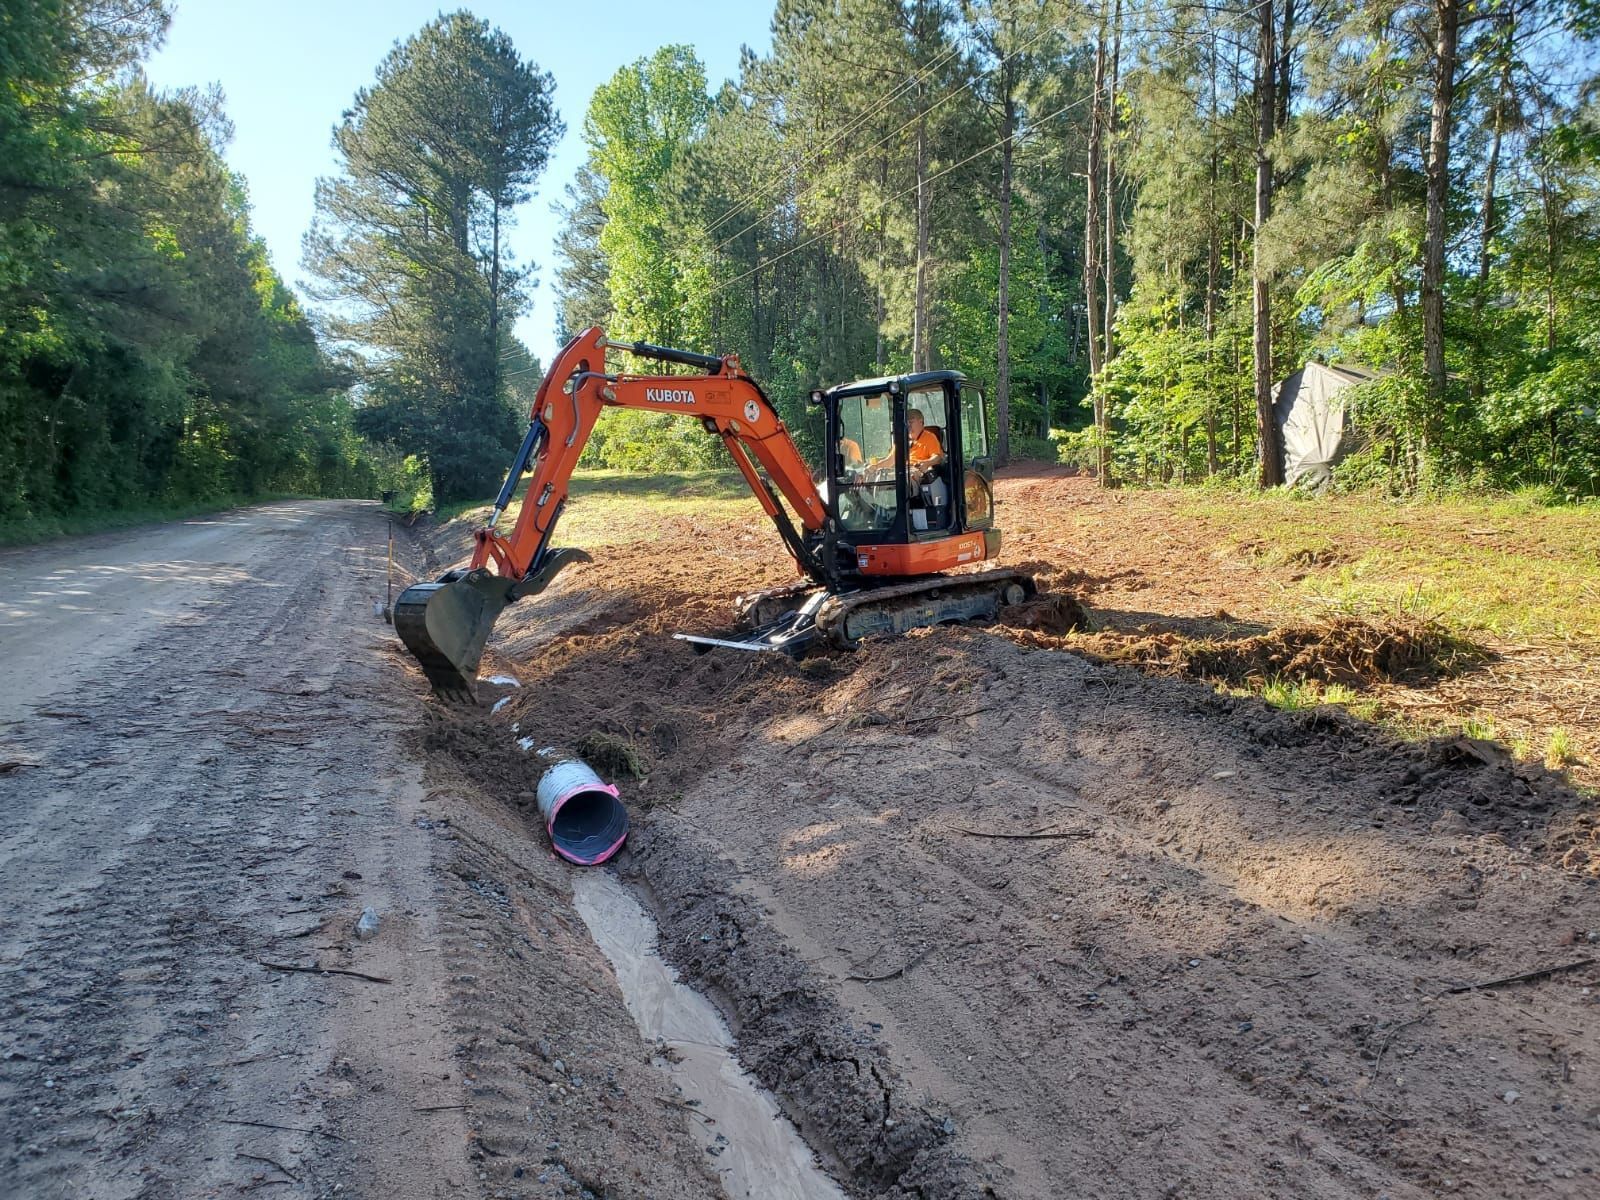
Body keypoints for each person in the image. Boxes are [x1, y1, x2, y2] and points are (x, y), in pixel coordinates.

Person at [869, 408, 945, 482]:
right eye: (906, 423)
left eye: (911, 422)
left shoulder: (930, 437)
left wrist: (926, 463)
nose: (908, 425)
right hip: (902, 471)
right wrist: (875, 467)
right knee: (879, 477)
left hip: (918, 473)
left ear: (921, 422)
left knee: (906, 479)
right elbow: (890, 460)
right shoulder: (901, 441)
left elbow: (937, 458)